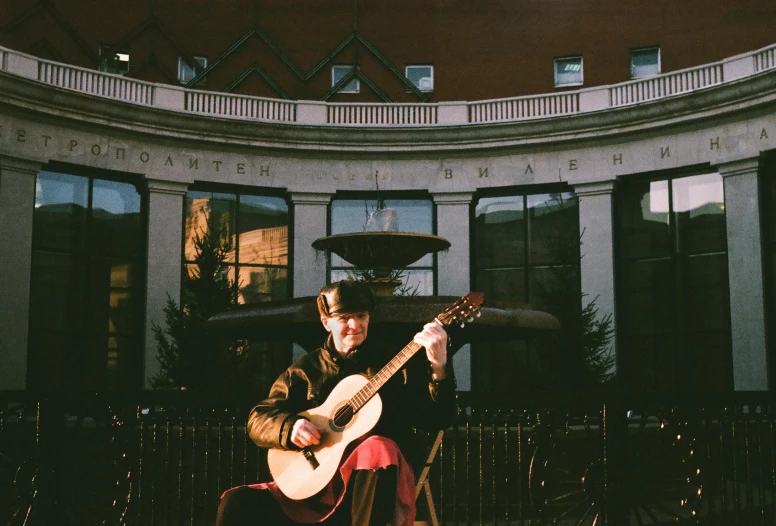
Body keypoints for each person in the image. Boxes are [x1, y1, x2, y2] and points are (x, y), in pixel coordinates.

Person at [216, 279, 457, 525]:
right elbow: (259, 418)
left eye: (361, 315)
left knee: (377, 447)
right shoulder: (305, 370)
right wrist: (290, 427)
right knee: (237, 502)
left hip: (368, 492)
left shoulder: (396, 363)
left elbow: (439, 417)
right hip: (314, 487)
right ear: (326, 322)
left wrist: (439, 367)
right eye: (344, 318)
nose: (355, 325)